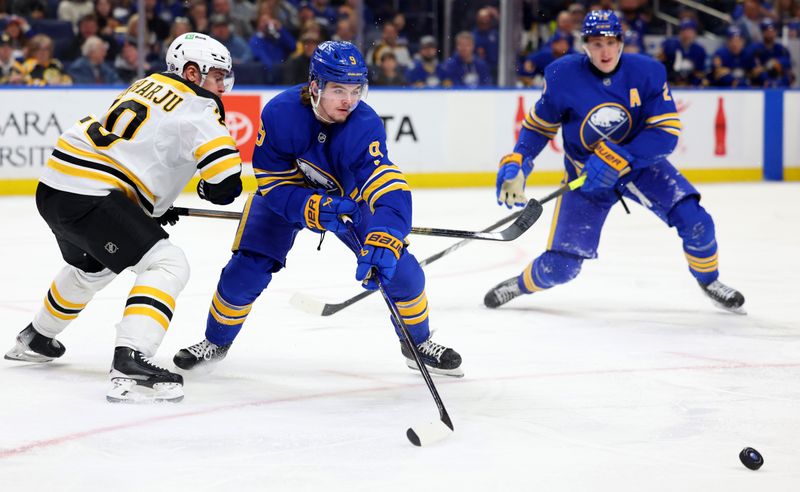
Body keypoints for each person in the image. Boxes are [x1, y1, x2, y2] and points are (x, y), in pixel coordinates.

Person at [173, 41, 463, 378]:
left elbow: (386, 182)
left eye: (356, 90)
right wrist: (307, 206)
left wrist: (388, 232)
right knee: (245, 270)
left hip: (347, 203)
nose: (349, 101)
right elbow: (270, 180)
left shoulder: (364, 124)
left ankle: (417, 343)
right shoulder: (280, 113)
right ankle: (216, 341)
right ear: (315, 86)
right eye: (339, 89)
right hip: (286, 197)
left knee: (402, 270)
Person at [4, 33, 244, 403]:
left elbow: (133, 154)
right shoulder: (199, 105)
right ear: (193, 72)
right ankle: (131, 361)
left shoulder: (146, 84)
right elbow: (226, 182)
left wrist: (148, 211)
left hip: (54, 187)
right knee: (168, 263)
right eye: (216, 76)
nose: (221, 86)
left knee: (95, 267)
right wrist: (210, 190)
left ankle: (37, 336)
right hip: (92, 195)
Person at [484, 11, 745, 314]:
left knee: (697, 222)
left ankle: (710, 281)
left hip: (641, 168)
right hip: (586, 179)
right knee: (560, 267)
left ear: (622, 42)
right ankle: (518, 285)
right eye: (596, 44)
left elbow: (666, 134)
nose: (605, 51)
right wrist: (519, 161)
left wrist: (619, 155)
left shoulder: (648, 73)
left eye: (611, 42)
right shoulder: (562, 75)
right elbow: (539, 127)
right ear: (584, 46)